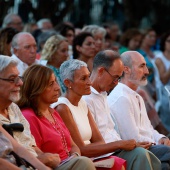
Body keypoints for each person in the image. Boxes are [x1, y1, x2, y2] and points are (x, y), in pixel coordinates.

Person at [52, 59, 145, 170]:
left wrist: (96, 147)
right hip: (84, 162)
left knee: (140, 153)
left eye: (88, 76)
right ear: (68, 83)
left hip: (96, 156)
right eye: (83, 79)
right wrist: (120, 144)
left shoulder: (82, 103)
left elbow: (100, 141)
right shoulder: (63, 107)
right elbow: (80, 149)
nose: (89, 82)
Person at [82, 50, 161, 170]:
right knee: (143, 154)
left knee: (154, 159)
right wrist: (121, 144)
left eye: (118, 78)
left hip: (117, 149)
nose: (116, 83)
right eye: (115, 78)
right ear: (101, 71)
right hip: (105, 154)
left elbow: (112, 132)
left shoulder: (103, 95)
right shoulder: (86, 99)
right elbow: (93, 142)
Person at [17, 64, 96, 170]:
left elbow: (73, 146)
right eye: (51, 84)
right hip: (51, 167)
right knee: (85, 163)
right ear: (37, 88)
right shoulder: (29, 116)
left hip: (69, 163)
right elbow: (36, 156)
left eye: (55, 82)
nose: (57, 88)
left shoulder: (53, 112)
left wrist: (75, 158)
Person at [108, 51, 170, 170]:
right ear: (126, 69)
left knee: (164, 165)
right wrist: (157, 143)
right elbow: (132, 138)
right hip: (135, 151)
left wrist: (161, 138)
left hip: (149, 147)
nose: (147, 71)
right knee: (166, 153)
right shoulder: (122, 97)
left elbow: (148, 129)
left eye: (145, 66)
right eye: (142, 66)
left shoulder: (136, 95)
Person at [0, 55, 61, 169]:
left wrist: (44, 166)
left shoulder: (14, 108)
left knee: (82, 162)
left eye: (19, 78)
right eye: (12, 79)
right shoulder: (30, 114)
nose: (20, 83)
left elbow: (21, 147)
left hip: (33, 166)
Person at [154, 31, 170, 131]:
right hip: (164, 92)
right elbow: (163, 79)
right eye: (169, 41)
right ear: (164, 42)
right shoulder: (159, 59)